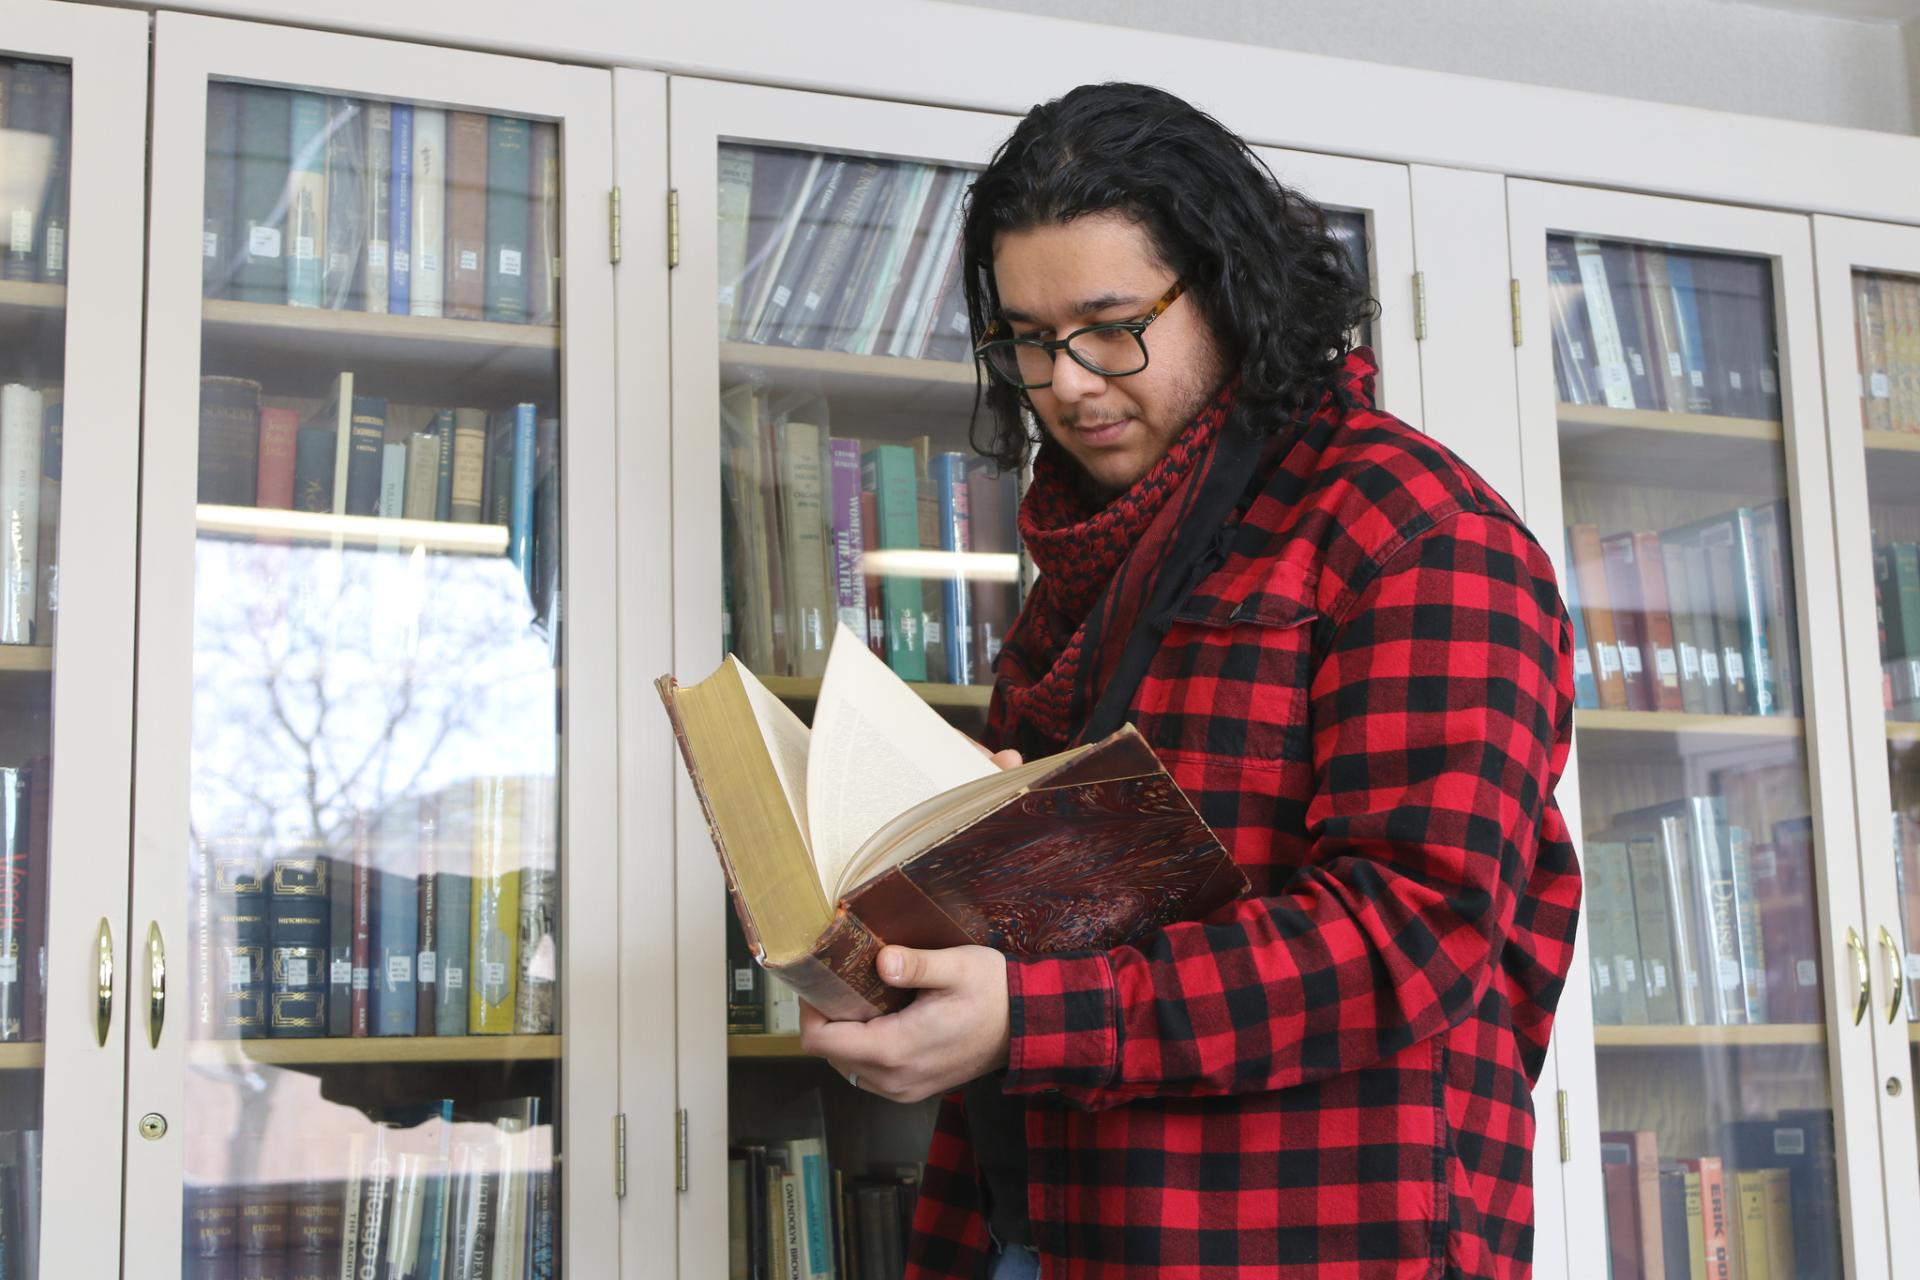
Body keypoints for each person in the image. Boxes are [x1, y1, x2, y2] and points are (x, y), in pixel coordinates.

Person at [799, 82, 1582, 1280]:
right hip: (1030, 1214)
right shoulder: (1092, 546)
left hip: (1295, 1235)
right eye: (1026, 338)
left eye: (1111, 326)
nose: (1064, 382)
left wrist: (1032, 1013)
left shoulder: (1417, 534)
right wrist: (919, 937)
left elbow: (1410, 930)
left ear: (1226, 285)